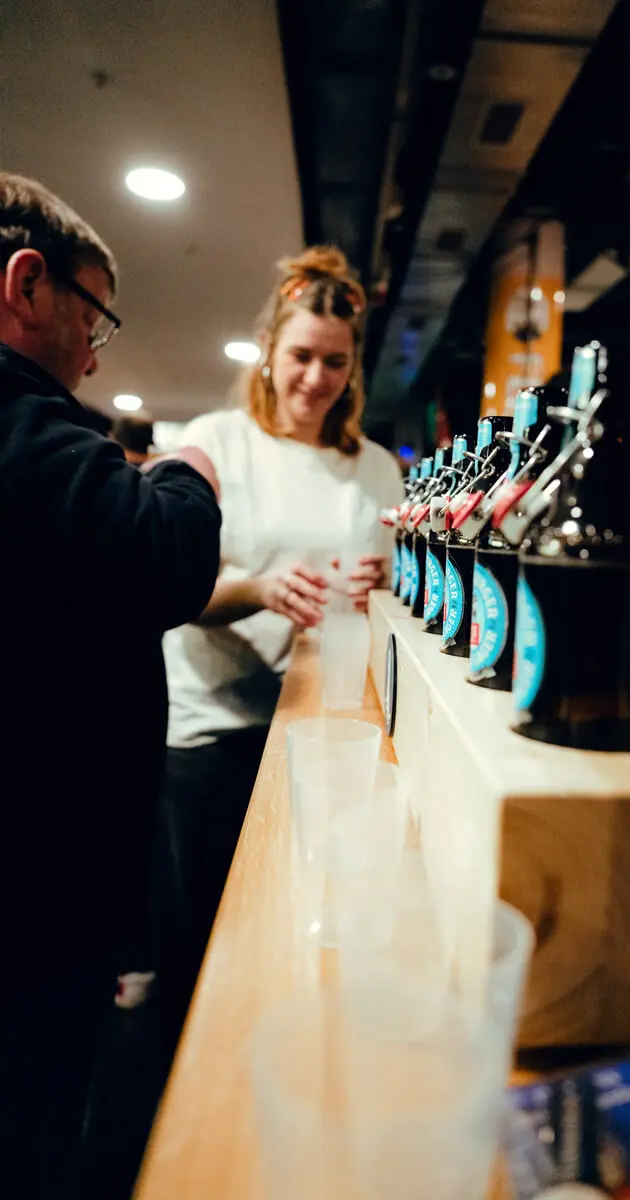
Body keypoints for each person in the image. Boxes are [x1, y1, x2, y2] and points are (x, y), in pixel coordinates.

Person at [0, 172, 222, 1198]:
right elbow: (163, 557)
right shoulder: (23, 428)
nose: (96, 349)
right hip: (36, 904)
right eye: (94, 316)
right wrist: (187, 474)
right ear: (27, 285)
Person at [154, 245, 404, 1040]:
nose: (314, 378)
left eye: (334, 362)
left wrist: (381, 588)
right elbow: (163, 584)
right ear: (270, 351)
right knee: (201, 948)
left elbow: (402, 595)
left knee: (295, 932)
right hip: (213, 729)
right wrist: (260, 587)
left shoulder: (373, 470)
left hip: (322, 726)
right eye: (300, 356)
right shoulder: (216, 443)